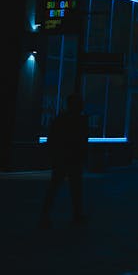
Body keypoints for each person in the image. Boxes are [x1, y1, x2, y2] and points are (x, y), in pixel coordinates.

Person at [39, 93, 89, 228]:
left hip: (62, 158)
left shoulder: (61, 119)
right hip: (73, 158)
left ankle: (45, 214)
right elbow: (83, 141)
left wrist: (53, 155)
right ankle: (77, 213)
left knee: (55, 187)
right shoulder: (81, 120)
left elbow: (53, 138)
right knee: (75, 188)